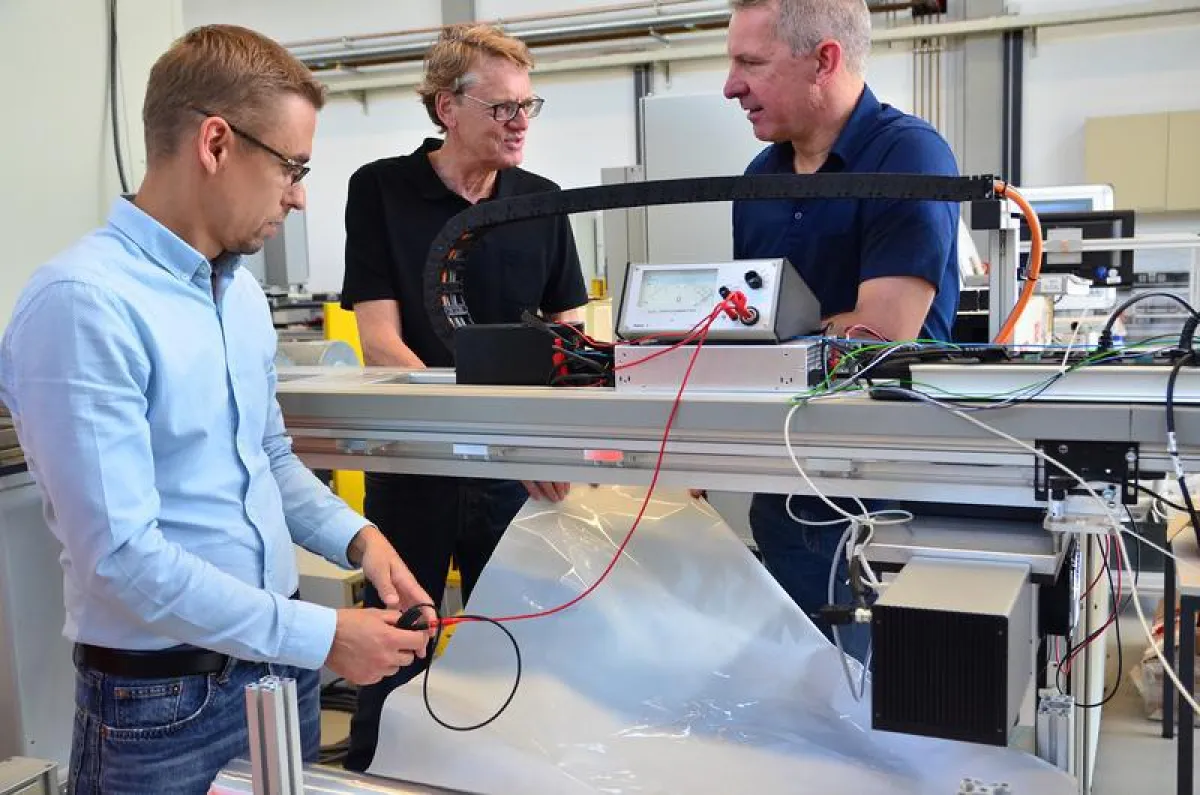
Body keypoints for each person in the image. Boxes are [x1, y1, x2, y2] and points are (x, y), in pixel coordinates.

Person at [0, 25, 436, 795]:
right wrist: (326, 636)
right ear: (215, 143)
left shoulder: (234, 293)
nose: (299, 196)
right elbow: (121, 560)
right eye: (293, 167)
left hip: (279, 674)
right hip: (162, 705)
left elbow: (265, 457)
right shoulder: (83, 303)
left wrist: (360, 539)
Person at [339, 23, 590, 771]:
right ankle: (377, 771)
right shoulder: (380, 189)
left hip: (513, 465)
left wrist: (538, 440)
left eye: (528, 105)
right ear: (447, 107)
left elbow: (569, 339)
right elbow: (381, 342)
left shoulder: (540, 201)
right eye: (502, 106)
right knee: (400, 636)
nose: (520, 122)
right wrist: (470, 432)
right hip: (416, 456)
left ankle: (498, 774)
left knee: (512, 640)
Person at [715, 0, 961, 662]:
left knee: (891, 699)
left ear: (824, 59)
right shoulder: (759, 180)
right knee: (809, 693)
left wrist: (766, 342)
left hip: (884, 497)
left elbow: (879, 333)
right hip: (790, 493)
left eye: (751, 63)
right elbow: (750, 327)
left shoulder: (908, 155)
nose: (730, 84)